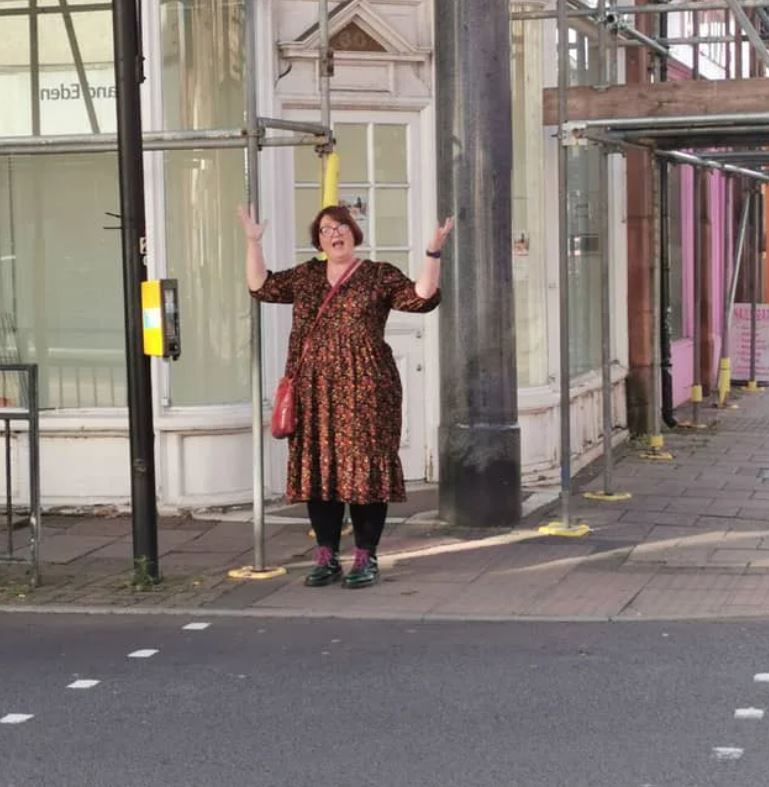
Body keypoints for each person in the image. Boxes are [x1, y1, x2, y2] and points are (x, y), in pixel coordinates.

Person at [238, 203, 453, 589]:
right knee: (320, 472)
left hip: (367, 388)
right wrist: (253, 242)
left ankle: (365, 556)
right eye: (324, 230)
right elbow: (260, 286)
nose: (333, 234)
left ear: (354, 233)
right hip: (314, 390)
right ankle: (326, 556)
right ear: (318, 240)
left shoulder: (378, 275)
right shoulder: (305, 276)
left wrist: (432, 252)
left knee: (365, 472)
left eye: (340, 227)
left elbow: (421, 297)